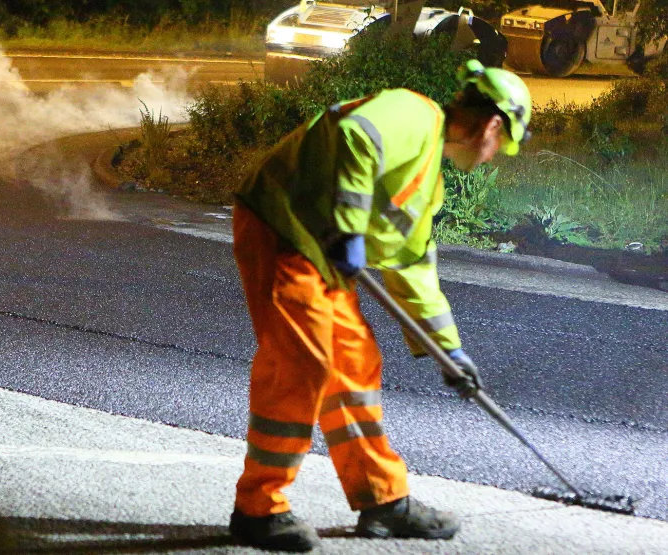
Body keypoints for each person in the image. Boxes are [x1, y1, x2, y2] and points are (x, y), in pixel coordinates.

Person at [228, 59, 532, 552]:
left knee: (355, 362)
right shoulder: (414, 114)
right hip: (283, 227)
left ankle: (382, 500)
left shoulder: (428, 179)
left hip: (322, 252)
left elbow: (412, 266)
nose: (495, 156)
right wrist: (348, 228)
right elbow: (354, 135)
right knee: (302, 364)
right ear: (493, 126)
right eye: (503, 144)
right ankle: (257, 509)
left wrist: (449, 352)